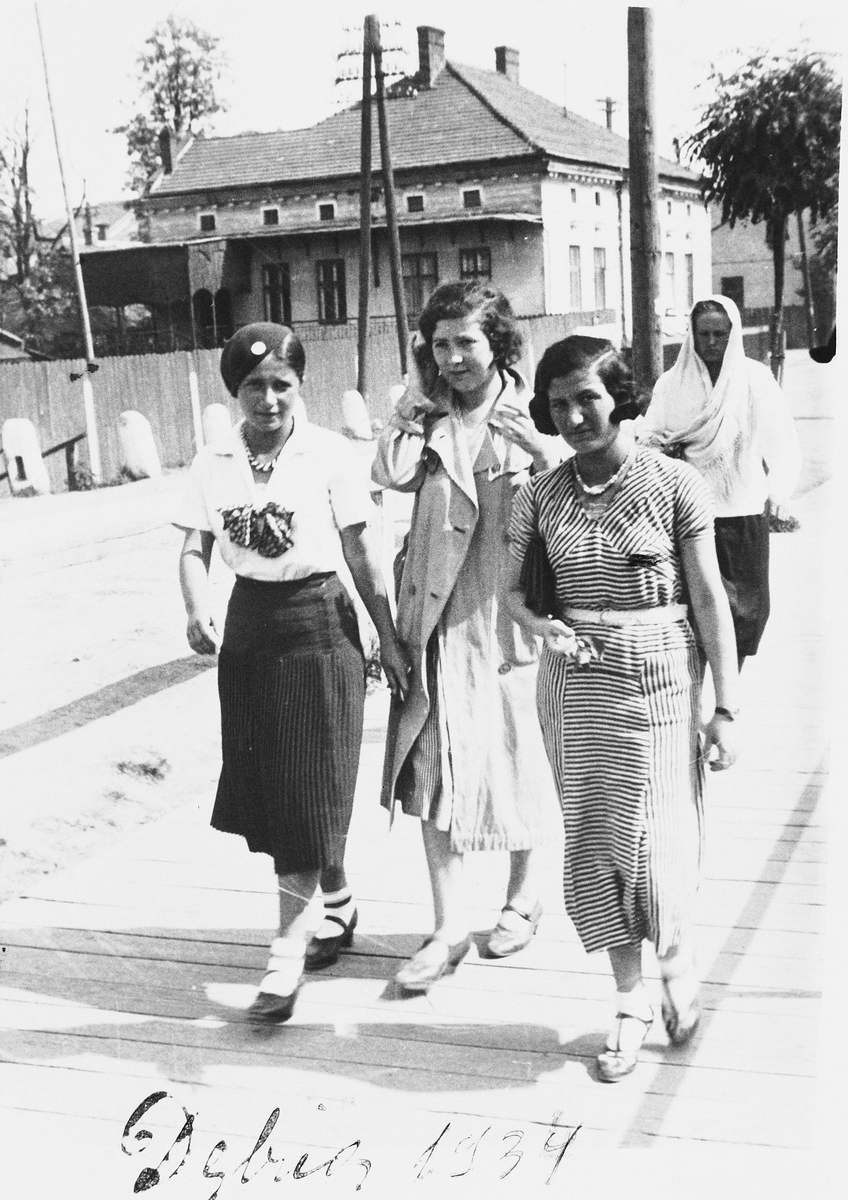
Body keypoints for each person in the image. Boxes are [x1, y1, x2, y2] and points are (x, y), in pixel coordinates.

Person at [505, 335, 740, 1082]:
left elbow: (707, 599)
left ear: (619, 397)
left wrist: (724, 707)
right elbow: (513, 594)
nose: (574, 415)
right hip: (574, 686)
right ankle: (628, 998)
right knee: (599, 839)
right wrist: (539, 627)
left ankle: (675, 958)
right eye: (558, 402)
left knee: (663, 838)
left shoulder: (675, 484)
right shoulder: (536, 495)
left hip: (664, 676)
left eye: (588, 398)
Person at [174, 322, 409, 1024]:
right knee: (278, 792)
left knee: (308, 785)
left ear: (300, 387)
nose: (268, 400)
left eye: (282, 385)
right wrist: (196, 606)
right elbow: (195, 547)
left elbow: (363, 552)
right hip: (249, 631)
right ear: (233, 392)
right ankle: (335, 909)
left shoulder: (330, 454)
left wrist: (388, 638)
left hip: (317, 626)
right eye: (254, 387)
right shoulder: (211, 460)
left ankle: (285, 953)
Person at [372, 281, 561, 994]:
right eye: (440, 344)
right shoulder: (423, 414)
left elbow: (574, 494)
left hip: (503, 611)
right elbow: (386, 475)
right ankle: (448, 926)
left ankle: (522, 895)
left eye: (466, 344)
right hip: (433, 616)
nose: (453, 358)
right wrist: (412, 410)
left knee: (516, 760)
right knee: (433, 768)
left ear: (497, 345)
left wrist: (538, 448)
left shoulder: (530, 409)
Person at [639, 296, 801, 668]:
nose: (711, 342)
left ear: (734, 334)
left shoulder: (754, 379)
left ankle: (728, 697)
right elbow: (648, 439)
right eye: (703, 334)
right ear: (691, 336)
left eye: (720, 334)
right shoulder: (671, 383)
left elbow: (782, 439)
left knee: (744, 615)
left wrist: (779, 491)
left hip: (742, 515)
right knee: (694, 615)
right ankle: (692, 700)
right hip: (689, 520)